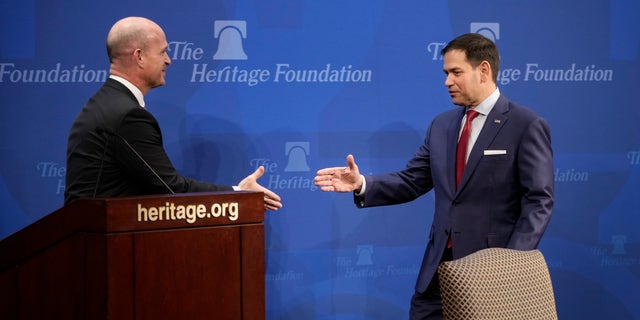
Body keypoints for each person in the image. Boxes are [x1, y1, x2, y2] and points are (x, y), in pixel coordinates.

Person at [314, 33, 554, 319]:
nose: (447, 82)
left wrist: (511, 265)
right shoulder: (441, 126)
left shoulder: (525, 125)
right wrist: (362, 183)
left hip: (492, 276)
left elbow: (539, 200)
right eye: (445, 73)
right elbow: (412, 180)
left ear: (484, 70)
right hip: (437, 275)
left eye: (456, 73)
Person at [65, 16, 282, 211]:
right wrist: (239, 193)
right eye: (162, 52)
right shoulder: (127, 116)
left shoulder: (105, 102)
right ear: (139, 57)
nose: (168, 60)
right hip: (101, 245)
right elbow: (169, 188)